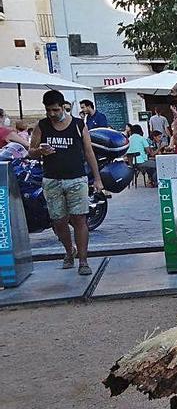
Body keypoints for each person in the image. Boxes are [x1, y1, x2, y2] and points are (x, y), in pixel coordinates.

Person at [29, 90, 104, 275]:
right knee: (58, 221)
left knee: (80, 219)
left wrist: (97, 179)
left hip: (77, 179)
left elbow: (88, 152)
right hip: (52, 180)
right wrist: (40, 151)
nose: (52, 114)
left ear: (63, 107)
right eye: (48, 110)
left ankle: (84, 261)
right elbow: (30, 151)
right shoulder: (42, 125)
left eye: (55, 110)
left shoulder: (78, 125)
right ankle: (69, 251)